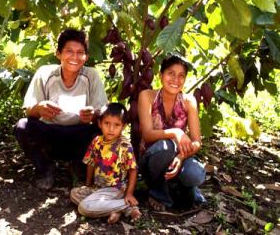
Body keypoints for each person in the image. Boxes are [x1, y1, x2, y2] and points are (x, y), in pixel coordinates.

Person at [14, 28, 108, 190]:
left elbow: (102, 112)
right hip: (50, 133)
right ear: (58, 54)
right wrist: (39, 108)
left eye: (80, 52)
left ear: (86, 57)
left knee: (103, 131)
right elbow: (29, 110)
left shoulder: (91, 75)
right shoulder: (45, 73)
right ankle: (45, 167)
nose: (75, 57)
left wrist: (93, 115)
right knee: (22, 126)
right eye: (69, 51)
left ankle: (79, 164)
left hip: (80, 134)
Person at [138, 54, 206, 211]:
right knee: (166, 146)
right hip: (152, 158)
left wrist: (181, 157)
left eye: (181, 76)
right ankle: (158, 193)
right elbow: (147, 134)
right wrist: (175, 132)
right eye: (171, 73)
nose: (176, 79)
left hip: (178, 155)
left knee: (196, 174)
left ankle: (179, 187)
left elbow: (197, 142)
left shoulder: (189, 102)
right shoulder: (147, 96)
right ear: (161, 75)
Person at [70, 103, 141, 224]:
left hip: (115, 189)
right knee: (74, 194)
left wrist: (129, 194)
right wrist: (88, 184)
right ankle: (113, 210)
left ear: (123, 126)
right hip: (98, 187)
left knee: (84, 207)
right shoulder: (97, 141)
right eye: (107, 123)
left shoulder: (124, 145)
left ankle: (127, 206)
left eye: (117, 125)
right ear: (99, 123)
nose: (111, 129)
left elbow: (133, 169)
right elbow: (91, 162)